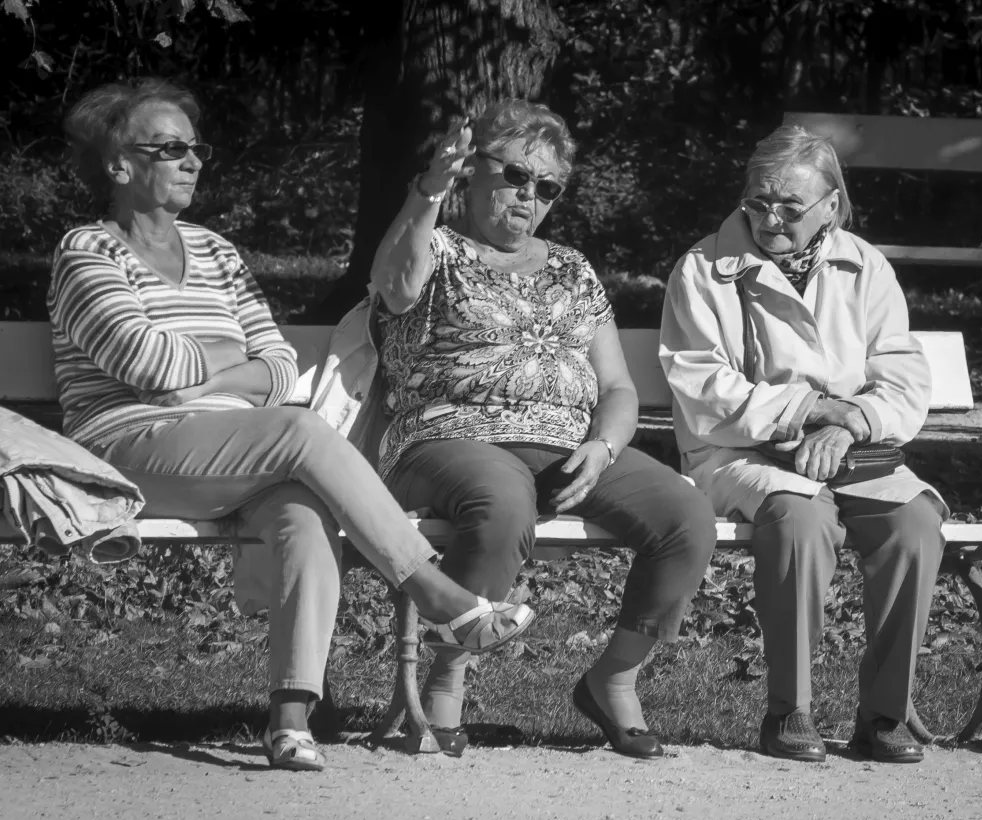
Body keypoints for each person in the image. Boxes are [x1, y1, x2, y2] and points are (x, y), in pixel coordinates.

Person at [47, 78, 534, 772]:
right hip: (127, 445)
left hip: (238, 451)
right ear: (118, 165)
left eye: (196, 147)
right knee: (301, 433)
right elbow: (145, 364)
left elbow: (276, 365)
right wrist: (225, 363)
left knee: (303, 510)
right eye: (170, 148)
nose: (193, 161)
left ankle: (291, 718)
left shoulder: (216, 251)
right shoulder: (86, 252)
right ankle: (437, 594)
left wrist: (211, 368)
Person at [366, 99, 717, 759]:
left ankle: (613, 679)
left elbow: (616, 387)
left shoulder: (574, 270)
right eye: (515, 176)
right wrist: (428, 190)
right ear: (471, 171)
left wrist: (603, 444)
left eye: (548, 186)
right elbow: (396, 284)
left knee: (685, 515)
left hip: (570, 445)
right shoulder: (434, 242)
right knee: (501, 501)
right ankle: (446, 676)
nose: (531, 195)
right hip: (448, 435)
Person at [659, 125, 948, 764]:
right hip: (738, 454)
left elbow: (903, 375)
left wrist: (850, 423)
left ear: (831, 205)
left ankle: (884, 715)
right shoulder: (702, 269)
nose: (768, 218)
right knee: (801, 518)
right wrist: (812, 409)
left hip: (852, 450)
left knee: (916, 523)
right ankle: (789, 711)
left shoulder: (864, 264)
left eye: (789, 206)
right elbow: (703, 385)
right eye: (757, 201)